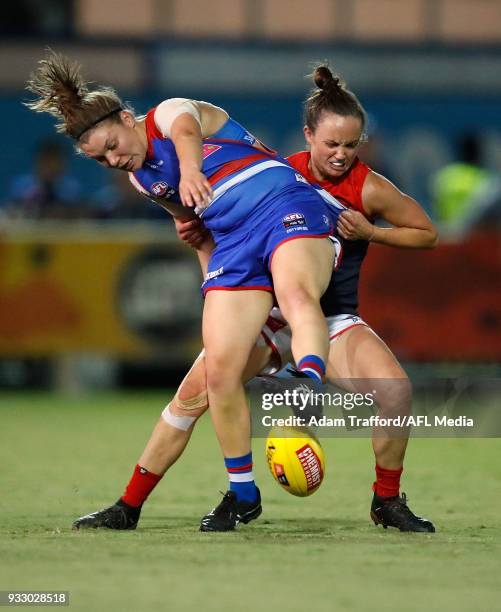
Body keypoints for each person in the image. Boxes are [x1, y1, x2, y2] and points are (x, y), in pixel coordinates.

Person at [71, 65, 438, 534]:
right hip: (264, 314)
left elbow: (427, 233)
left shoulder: (366, 187)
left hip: (327, 317)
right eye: (330, 144)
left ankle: (386, 500)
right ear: (308, 138)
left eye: (351, 145)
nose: (340, 155)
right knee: (191, 397)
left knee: (396, 392)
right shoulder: (275, 169)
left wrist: (371, 232)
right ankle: (131, 503)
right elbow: (208, 216)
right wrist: (200, 238)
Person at [26, 51, 339, 531]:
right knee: (214, 375)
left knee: (297, 295)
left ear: (127, 119)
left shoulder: (167, 113)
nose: (113, 159)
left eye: (112, 144)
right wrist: (213, 280)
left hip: (281, 204)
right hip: (234, 247)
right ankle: (237, 495)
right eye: (100, 159)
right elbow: (197, 229)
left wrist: (192, 171)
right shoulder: (142, 178)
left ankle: (306, 389)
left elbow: (187, 133)